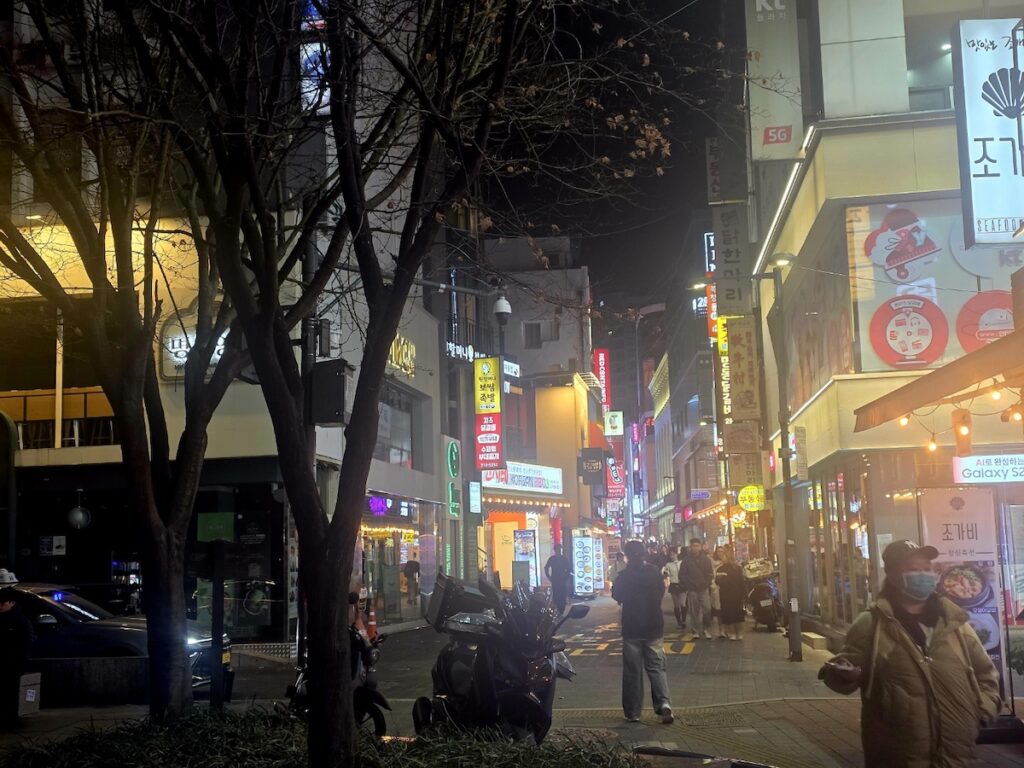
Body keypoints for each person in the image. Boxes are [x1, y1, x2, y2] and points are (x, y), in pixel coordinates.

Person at [819, 540, 1000, 768]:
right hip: (897, 756)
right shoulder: (872, 625)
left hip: (957, 756)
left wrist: (980, 712)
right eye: (913, 570)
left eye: (927, 569)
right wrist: (842, 673)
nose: (923, 575)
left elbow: (987, 675)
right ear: (893, 574)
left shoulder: (955, 622)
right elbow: (844, 673)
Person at [611, 540, 673, 724]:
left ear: (627, 555)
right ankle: (664, 704)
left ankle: (633, 712)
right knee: (656, 667)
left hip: (632, 627)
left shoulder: (624, 575)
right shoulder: (655, 572)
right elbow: (661, 591)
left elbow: (617, 596)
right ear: (644, 553)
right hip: (654, 626)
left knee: (632, 670)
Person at [0, 586, 33, 725]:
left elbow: (25, 641)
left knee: (11, 691)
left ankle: (11, 718)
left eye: (3, 603)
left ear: (12, 603)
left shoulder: (19, 620)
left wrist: (17, 658)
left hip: (12, 663)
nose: (0, 606)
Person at [679, 538, 714, 640]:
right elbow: (682, 575)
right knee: (694, 611)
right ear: (690, 547)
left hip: (703, 588)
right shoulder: (686, 560)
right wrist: (688, 585)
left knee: (707, 609)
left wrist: (706, 583)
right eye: (693, 546)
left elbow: (710, 573)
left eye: (697, 546)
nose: (695, 548)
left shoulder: (706, 559)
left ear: (700, 547)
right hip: (692, 589)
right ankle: (695, 629)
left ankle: (706, 628)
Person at [715, 545, 745, 640]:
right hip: (726, 594)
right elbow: (717, 581)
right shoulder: (720, 569)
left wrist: (743, 594)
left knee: (737, 614)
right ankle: (732, 632)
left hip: (735, 594)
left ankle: (738, 633)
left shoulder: (737, 568)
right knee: (729, 613)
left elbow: (741, 582)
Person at [662, 549, 686, 629]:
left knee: (683, 603)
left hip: (682, 584)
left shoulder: (682, 563)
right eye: (671, 555)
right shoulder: (668, 564)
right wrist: (665, 575)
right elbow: (665, 573)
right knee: (676, 605)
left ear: (677, 554)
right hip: (673, 584)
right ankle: (679, 622)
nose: (672, 556)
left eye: (673, 554)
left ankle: (684, 620)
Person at [544, 545, 571, 614]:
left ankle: (561, 609)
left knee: (562, 594)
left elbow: (568, 569)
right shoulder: (552, 559)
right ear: (555, 550)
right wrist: (549, 576)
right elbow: (546, 567)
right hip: (555, 579)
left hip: (562, 579)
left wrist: (566, 577)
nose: (558, 551)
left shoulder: (564, 559)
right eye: (557, 549)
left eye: (559, 549)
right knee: (556, 594)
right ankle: (558, 609)